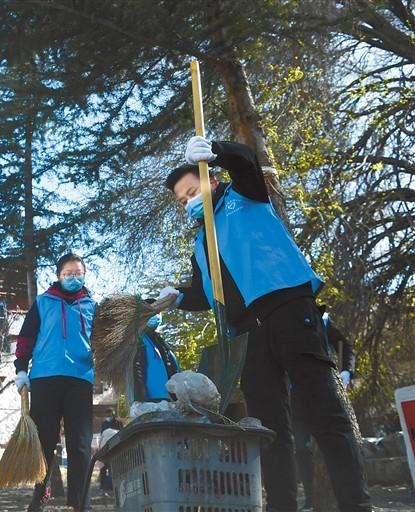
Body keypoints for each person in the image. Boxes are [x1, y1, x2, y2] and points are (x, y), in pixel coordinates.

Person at [162, 136, 370, 512]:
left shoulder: (245, 196)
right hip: (246, 337)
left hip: (289, 310)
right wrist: (176, 297)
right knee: (268, 430)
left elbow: (245, 164)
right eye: (182, 200)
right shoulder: (200, 243)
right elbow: (204, 293)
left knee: (326, 414)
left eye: (193, 190)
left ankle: (356, 505)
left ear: (212, 180)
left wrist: (219, 151)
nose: (189, 202)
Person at [14, 253, 96, 512]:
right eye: (68, 274)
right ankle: (40, 496)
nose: (73, 278)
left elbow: (107, 341)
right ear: (58, 276)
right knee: (45, 442)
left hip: (80, 379)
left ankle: (79, 502)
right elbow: (26, 337)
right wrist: (20, 369)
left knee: (80, 444)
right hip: (45, 379)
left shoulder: (93, 305)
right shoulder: (43, 302)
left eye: (78, 273)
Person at [293, 308, 356, 511]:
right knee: (302, 448)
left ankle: (348, 498)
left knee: (334, 440)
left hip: (324, 389)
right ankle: (310, 498)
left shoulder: (323, 319)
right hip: (295, 394)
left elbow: (345, 346)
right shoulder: (280, 319)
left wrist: (346, 372)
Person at [133, 314, 180, 403]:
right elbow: (137, 366)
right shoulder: (139, 339)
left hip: (168, 396)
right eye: (153, 313)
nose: (157, 316)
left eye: (158, 313)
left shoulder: (158, 340)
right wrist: (142, 395)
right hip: (151, 398)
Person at [98, 409, 122, 493]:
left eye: (109, 414)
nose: (108, 416)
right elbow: (102, 436)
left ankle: (114, 485)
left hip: (115, 447)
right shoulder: (104, 424)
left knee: (114, 467)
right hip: (105, 447)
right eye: (107, 415)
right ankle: (103, 487)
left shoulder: (118, 423)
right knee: (104, 468)